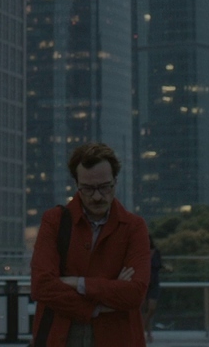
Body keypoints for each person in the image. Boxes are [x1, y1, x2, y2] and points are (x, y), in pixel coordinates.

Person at [30, 142, 151, 347]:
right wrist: (97, 306)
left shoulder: (133, 227)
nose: (97, 196)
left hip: (116, 338)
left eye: (105, 187)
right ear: (76, 185)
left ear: (115, 181)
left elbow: (135, 293)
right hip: (61, 336)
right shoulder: (55, 221)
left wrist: (77, 283)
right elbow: (41, 286)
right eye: (87, 189)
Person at [142, 237, 168, 343]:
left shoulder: (156, 252)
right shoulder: (140, 252)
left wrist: (167, 268)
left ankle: (141, 329)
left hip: (154, 283)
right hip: (143, 283)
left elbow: (159, 265)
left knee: (151, 308)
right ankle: (148, 334)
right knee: (143, 309)